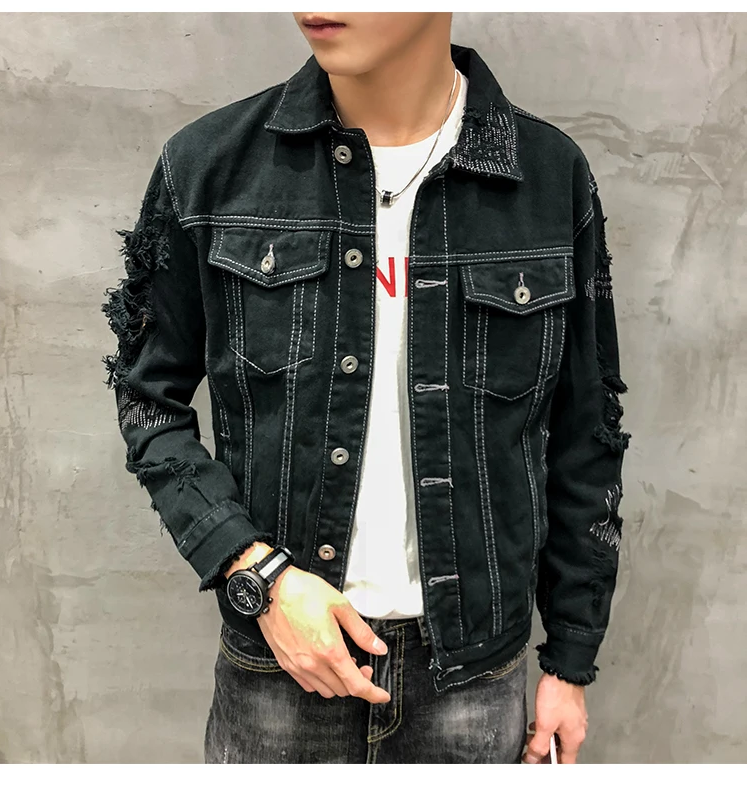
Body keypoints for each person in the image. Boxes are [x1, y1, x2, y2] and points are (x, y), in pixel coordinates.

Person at [101, 12, 630, 764]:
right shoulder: (210, 166)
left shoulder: (548, 176)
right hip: (281, 671)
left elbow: (588, 432)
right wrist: (259, 578)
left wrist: (570, 661)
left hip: (474, 679)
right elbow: (147, 401)